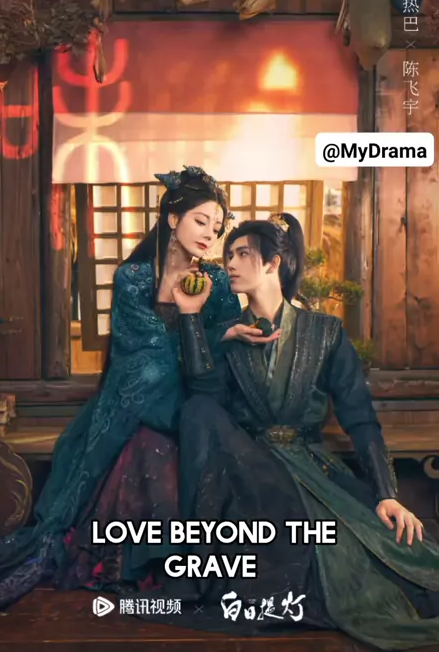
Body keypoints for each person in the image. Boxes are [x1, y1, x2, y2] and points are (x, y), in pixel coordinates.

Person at [0, 166, 242, 632]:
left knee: (193, 434)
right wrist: (202, 333)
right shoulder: (133, 277)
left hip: (196, 400)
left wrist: (215, 336)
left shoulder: (217, 281)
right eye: (201, 220)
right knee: (146, 441)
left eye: (218, 225)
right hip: (138, 400)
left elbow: (223, 350)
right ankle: (128, 560)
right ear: (173, 218)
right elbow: (144, 354)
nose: (211, 234)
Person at [151, 214, 439, 651]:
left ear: (273, 263)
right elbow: (202, 402)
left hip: (311, 466)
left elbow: (360, 417)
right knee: (199, 414)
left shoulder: (325, 333)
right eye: (228, 255)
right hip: (250, 469)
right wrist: (191, 317)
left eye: (242, 254)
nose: (230, 263)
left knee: (395, 558)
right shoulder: (229, 333)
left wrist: (386, 493)